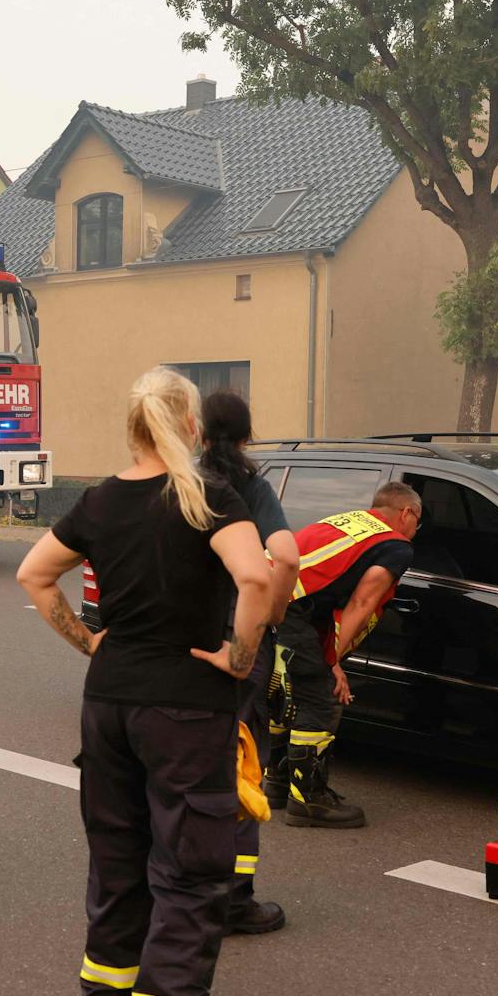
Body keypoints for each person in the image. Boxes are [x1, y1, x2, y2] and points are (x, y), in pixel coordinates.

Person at [17, 367, 272, 996]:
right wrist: (237, 659)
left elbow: (34, 574)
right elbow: (255, 576)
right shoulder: (207, 497)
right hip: (186, 708)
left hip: (109, 704)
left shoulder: (100, 501)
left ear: (132, 430)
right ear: (190, 426)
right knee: (189, 873)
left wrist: (89, 642)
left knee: (117, 861)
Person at [197, 390, 300, 936]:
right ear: (247, 435)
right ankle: (234, 900)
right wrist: (271, 615)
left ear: (196, 431)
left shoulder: (181, 481)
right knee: (238, 765)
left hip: (181, 646)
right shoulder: (252, 487)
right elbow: (285, 556)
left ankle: (177, 888)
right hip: (238, 643)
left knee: (179, 765)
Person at [265, 481, 422, 828]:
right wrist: (332, 662)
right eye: (417, 522)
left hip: (261, 596)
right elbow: (362, 602)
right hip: (291, 608)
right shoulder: (395, 546)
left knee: (283, 694)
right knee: (320, 699)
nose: (415, 531)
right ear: (407, 513)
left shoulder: (345, 520)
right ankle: (308, 800)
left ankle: (275, 784)